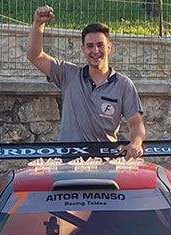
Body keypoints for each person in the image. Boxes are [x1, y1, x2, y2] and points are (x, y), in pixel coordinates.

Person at [26, 5, 146, 159]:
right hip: (68, 164)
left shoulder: (123, 84)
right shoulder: (68, 75)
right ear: (83, 49)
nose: (95, 51)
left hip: (105, 165)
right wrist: (38, 23)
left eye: (100, 45)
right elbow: (34, 56)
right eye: (90, 46)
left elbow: (136, 123)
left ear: (109, 47)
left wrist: (136, 142)